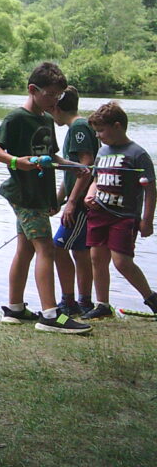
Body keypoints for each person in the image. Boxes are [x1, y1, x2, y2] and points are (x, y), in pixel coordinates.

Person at [0, 62, 91, 334]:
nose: (55, 101)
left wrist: (73, 166)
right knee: (46, 248)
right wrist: (15, 161)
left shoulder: (45, 120)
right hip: (24, 194)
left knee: (26, 248)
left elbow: (50, 155)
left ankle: (15, 308)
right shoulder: (17, 118)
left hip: (40, 195)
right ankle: (51, 315)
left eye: (59, 96)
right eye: (51, 95)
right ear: (33, 89)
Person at [81, 102, 157, 320]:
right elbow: (96, 178)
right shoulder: (102, 151)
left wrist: (147, 220)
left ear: (117, 126)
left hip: (124, 217)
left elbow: (150, 189)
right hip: (99, 213)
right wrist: (89, 194)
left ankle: (151, 298)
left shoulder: (137, 154)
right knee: (97, 258)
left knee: (122, 262)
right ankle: (102, 304)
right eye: (96, 131)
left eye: (101, 131)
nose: (98, 136)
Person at [50, 87, 99, 317]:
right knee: (80, 251)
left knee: (57, 248)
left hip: (80, 204)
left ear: (57, 108)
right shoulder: (78, 127)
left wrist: (71, 203)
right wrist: (58, 200)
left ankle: (69, 302)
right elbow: (72, 172)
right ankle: (84, 302)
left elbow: (85, 166)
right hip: (76, 200)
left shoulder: (78, 127)